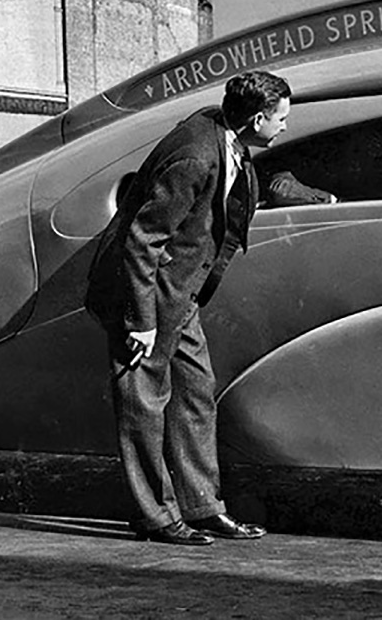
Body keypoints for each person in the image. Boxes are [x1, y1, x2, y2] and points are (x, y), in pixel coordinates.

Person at [85, 70, 291, 546]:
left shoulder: (224, 135)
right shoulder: (196, 156)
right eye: (280, 118)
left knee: (196, 392)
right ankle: (156, 517)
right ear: (256, 120)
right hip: (141, 293)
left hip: (179, 294)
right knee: (144, 404)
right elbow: (143, 239)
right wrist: (140, 322)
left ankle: (203, 507)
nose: (285, 125)